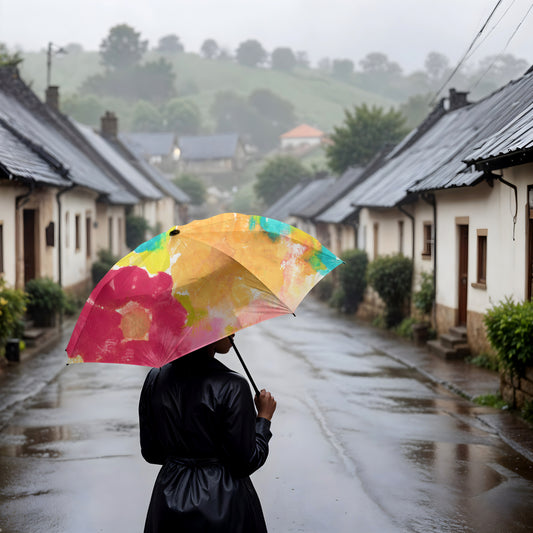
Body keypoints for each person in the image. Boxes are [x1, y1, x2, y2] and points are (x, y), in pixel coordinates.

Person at [139, 334, 276, 532]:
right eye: (223, 320)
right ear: (204, 332)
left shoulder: (155, 378)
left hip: (168, 504)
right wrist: (263, 418)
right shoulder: (233, 386)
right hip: (225, 506)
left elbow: (151, 452)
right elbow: (246, 462)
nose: (234, 329)